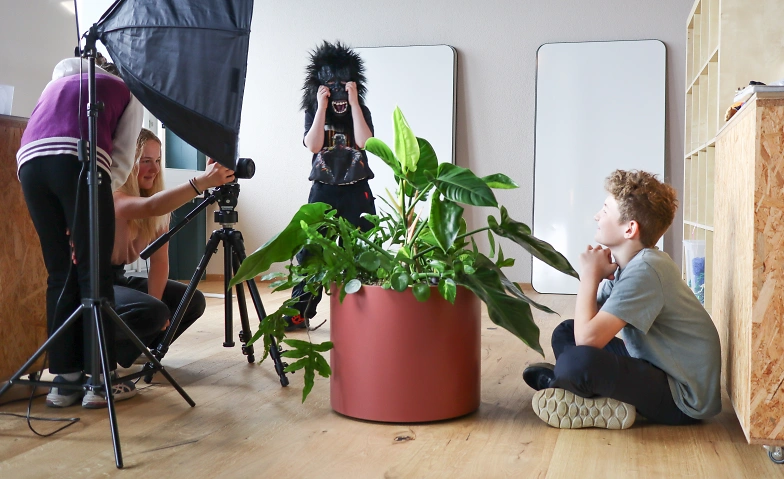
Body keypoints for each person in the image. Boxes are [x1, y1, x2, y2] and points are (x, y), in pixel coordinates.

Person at [523, 169, 722, 429]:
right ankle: (576, 388)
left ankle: (567, 387)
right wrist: (597, 276)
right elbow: (588, 321)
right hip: (654, 365)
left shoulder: (646, 270)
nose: (597, 216)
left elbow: (588, 339)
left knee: (578, 361)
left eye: (605, 210)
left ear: (630, 229)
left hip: (683, 398)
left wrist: (589, 276)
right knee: (566, 332)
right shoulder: (629, 265)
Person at [17, 55, 143, 408]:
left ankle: (64, 381)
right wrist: (90, 209)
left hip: (29, 164)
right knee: (94, 272)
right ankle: (100, 381)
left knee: (60, 272)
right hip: (78, 159)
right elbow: (121, 160)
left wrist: (76, 216)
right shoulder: (127, 90)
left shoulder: (58, 80)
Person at [108, 128, 235, 389]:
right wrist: (201, 182)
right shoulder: (113, 195)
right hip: (96, 282)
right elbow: (151, 206)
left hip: (119, 278)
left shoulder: (157, 208)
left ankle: (134, 350)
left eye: (157, 161)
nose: (154, 169)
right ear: (128, 164)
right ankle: (102, 357)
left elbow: (160, 262)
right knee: (153, 311)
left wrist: (156, 313)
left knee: (191, 301)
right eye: (145, 161)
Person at [284, 41, 377, 331]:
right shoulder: (314, 112)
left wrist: (354, 103)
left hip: (357, 190)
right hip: (323, 191)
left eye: (343, 83)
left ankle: (363, 315)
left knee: (362, 249)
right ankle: (298, 313)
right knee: (311, 251)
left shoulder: (361, 111)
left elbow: (364, 142)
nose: (337, 90)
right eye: (330, 84)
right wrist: (321, 106)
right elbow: (312, 145)